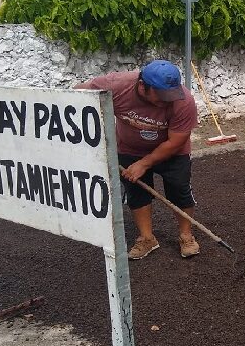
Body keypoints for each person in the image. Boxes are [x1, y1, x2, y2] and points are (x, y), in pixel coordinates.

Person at [75, 60, 200, 260]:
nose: (167, 101)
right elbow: (77, 94)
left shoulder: (183, 101)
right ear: (142, 86)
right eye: (161, 96)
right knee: (136, 192)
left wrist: (144, 163)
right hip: (129, 148)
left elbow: (176, 141)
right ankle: (147, 238)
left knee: (179, 190)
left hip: (172, 151)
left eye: (170, 95)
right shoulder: (115, 85)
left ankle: (186, 235)